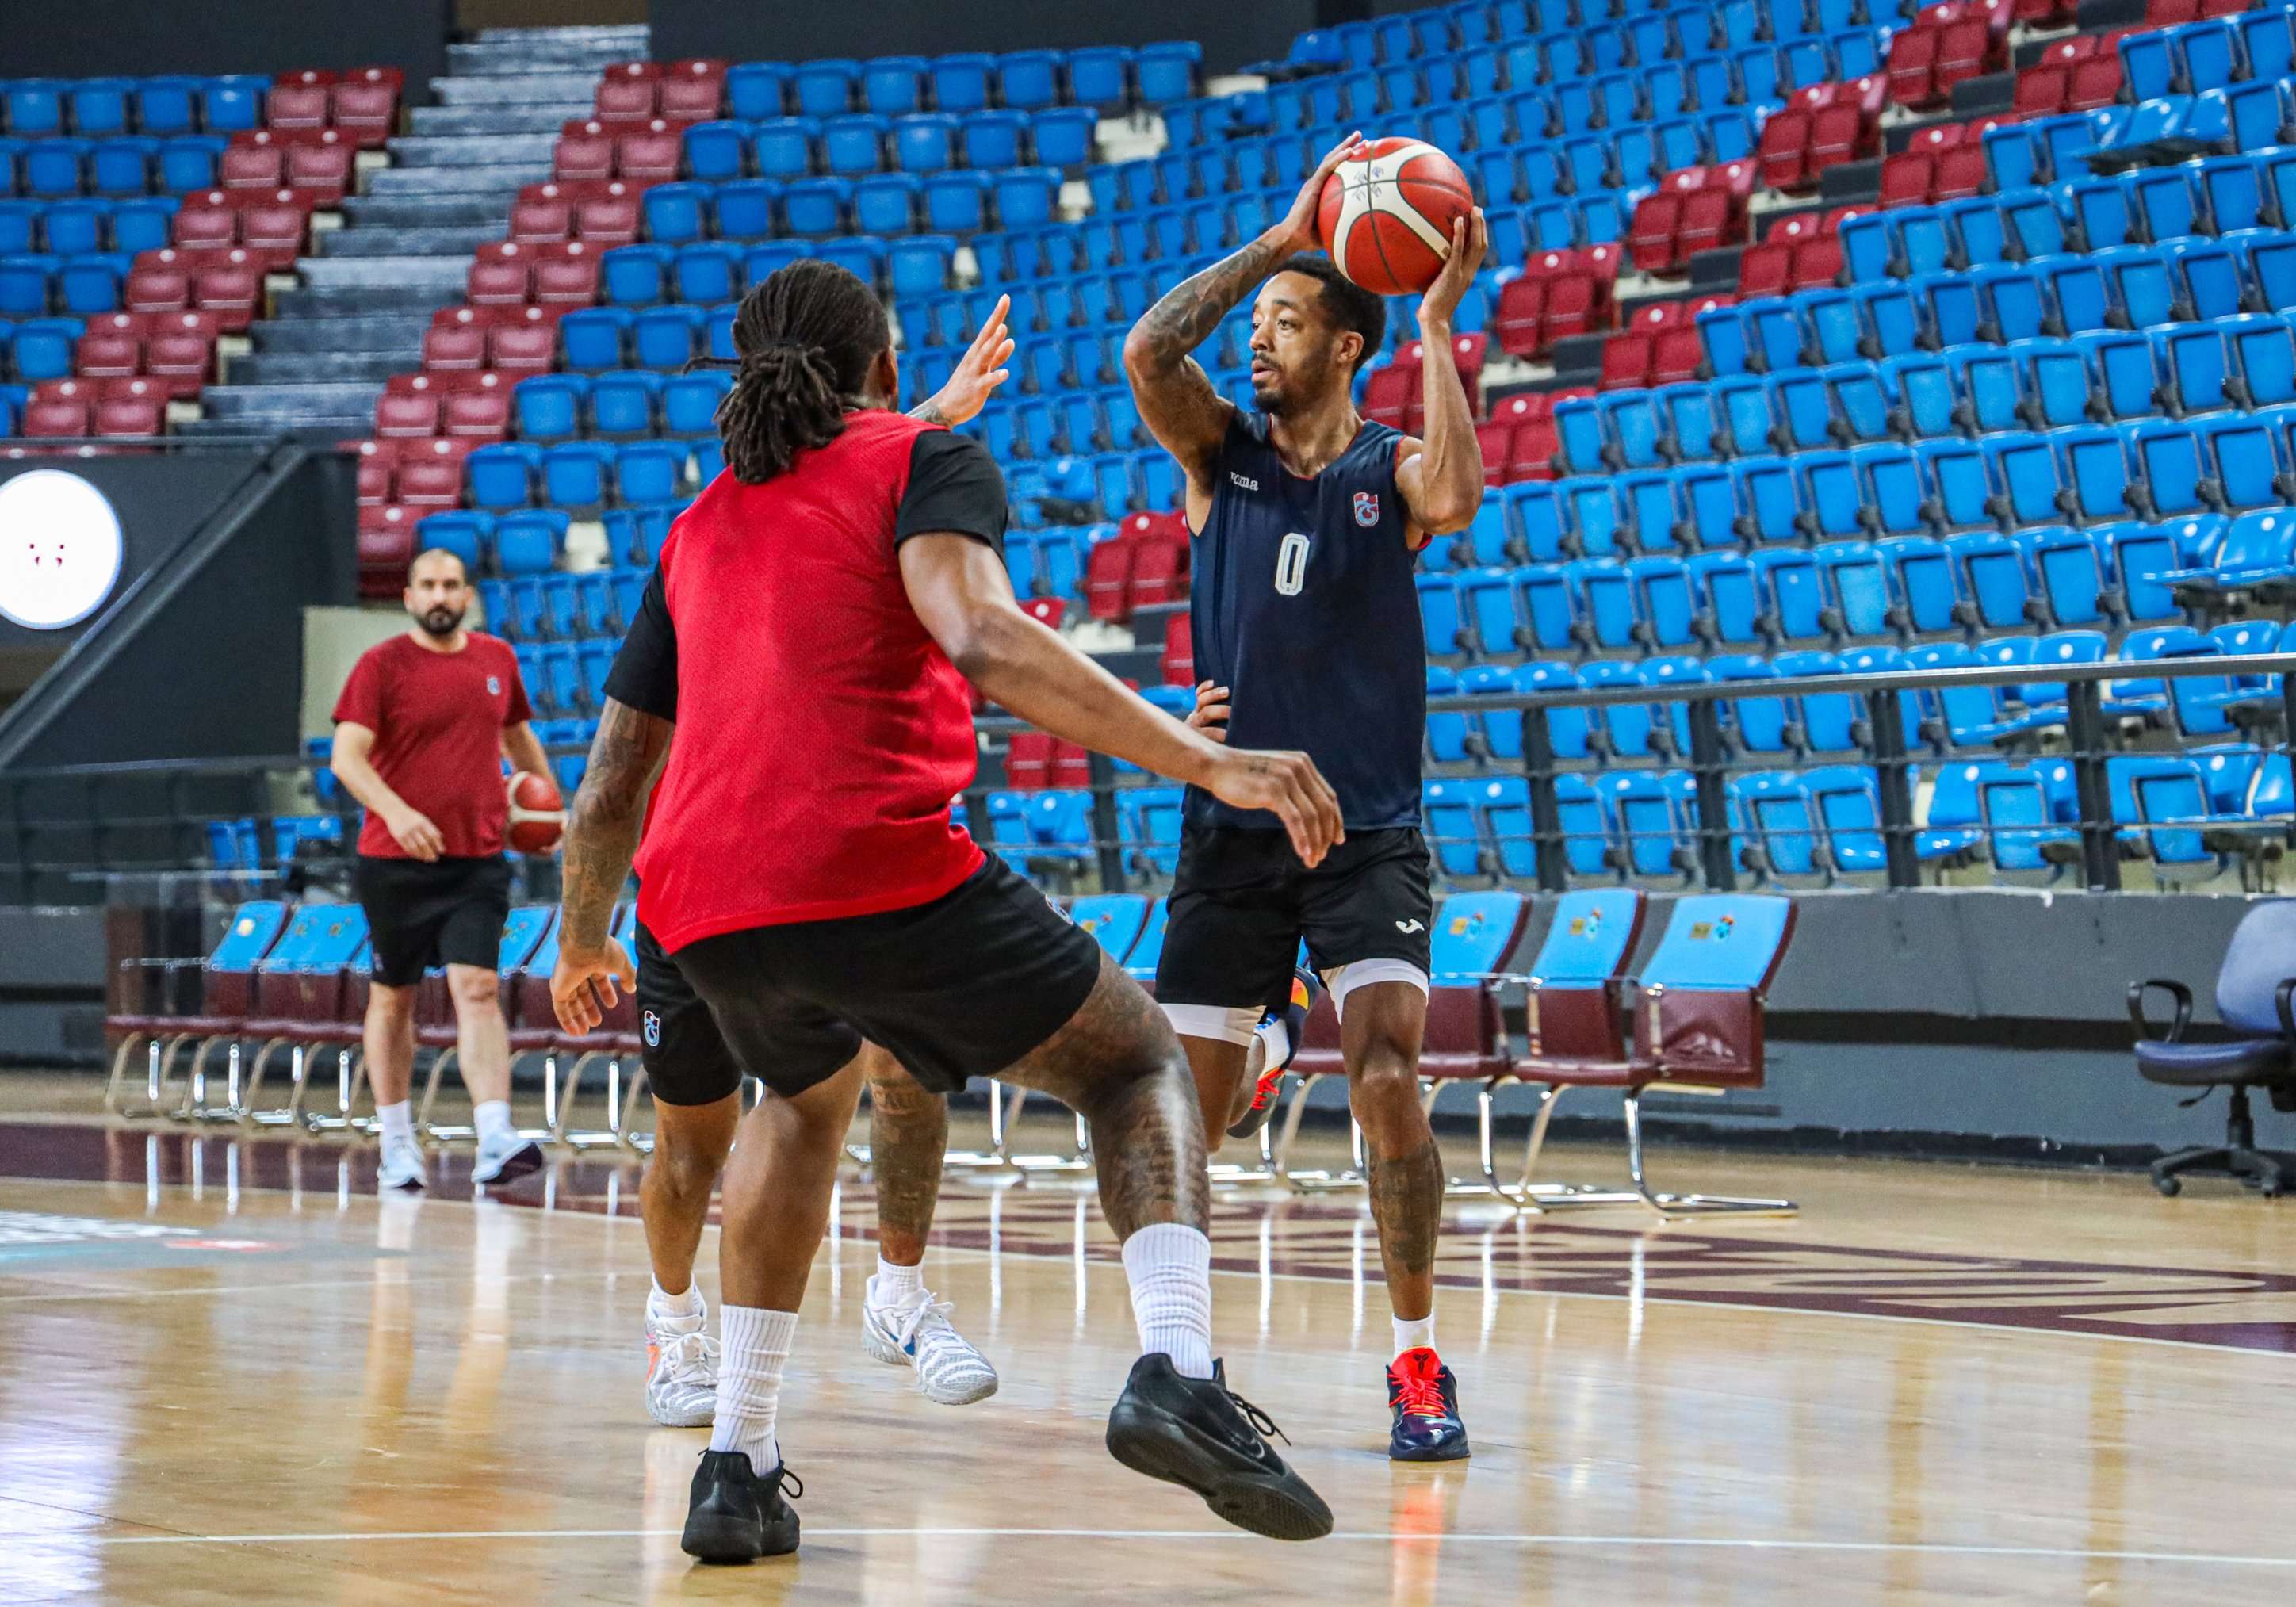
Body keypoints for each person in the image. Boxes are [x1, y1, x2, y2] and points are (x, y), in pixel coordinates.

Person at [551, 259, 1342, 1563]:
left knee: (799, 1108)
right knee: (1133, 1058)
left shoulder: (697, 526)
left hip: (699, 906)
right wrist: (1206, 758)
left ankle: (736, 1467)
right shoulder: (926, 459)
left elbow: (607, 787)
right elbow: (978, 634)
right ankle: (1177, 1370)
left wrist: (585, 933)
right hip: (863, 860)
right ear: (878, 369)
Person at [1121, 129, 1490, 1464]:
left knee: (1389, 1076)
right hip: (1230, 830)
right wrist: (1279, 245)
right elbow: (1150, 354)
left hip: (1366, 831)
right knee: (1184, 1113)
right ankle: (1182, 1357)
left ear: (1347, 346)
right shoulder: (1220, 455)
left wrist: (1437, 328)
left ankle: (1414, 1357)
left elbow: (1453, 491)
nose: (1261, 341)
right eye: (1262, 323)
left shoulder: (1382, 466)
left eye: (1287, 323)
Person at [633, 301, 1020, 1429]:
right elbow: (620, 761)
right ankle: (675, 1317)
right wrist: (579, 924)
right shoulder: (706, 528)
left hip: (837, 845)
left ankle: (896, 1289)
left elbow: (854, 475)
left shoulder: (876, 484)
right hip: (703, 863)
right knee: (693, 1141)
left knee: (903, 1072)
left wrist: (933, 417)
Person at [331, 547, 553, 1193]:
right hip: (395, 863)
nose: (439, 595)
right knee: (393, 996)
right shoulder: (380, 665)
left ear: (467, 596)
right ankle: (397, 1143)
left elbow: (518, 739)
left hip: (477, 860)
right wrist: (398, 813)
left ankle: (494, 1137)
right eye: (427, 585)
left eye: (451, 585)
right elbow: (348, 757)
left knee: (478, 988)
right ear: (407, 597)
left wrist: (551, 805)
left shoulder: (496, 659)